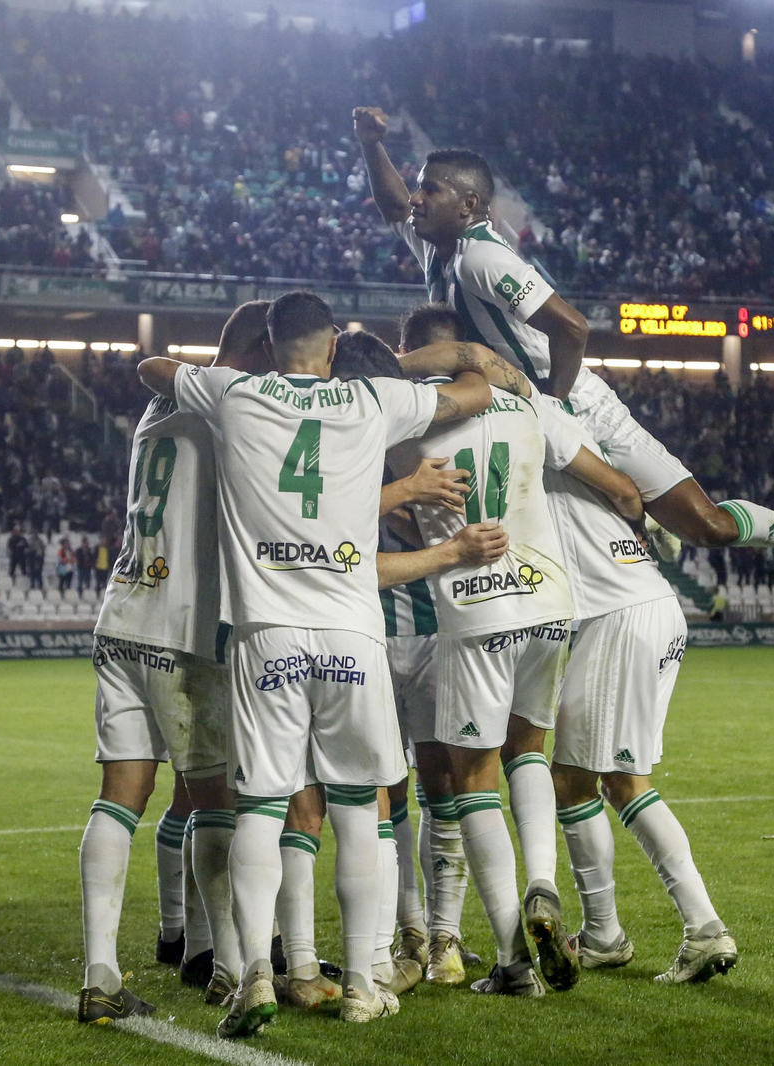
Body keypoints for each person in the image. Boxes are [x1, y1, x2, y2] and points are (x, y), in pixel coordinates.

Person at [139, 290, 493, 1035]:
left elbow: (152, 366)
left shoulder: (233, 393)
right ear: (332, 347)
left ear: (269, 348)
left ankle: (255, 978)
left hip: (266, 635)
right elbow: (471, 397)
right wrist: (460, 364)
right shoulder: (370, 400)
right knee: (361, 810)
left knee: (263, 810)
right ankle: (365, 982)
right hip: (352, 634)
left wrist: (225, 375)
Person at [354, 106, 774, 586]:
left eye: (431, 190)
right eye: (420, 187)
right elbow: (392, 207)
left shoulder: (482, 259)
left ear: (469, 204)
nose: (417, 199)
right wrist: (371, 142)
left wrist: (555, 405)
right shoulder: (437, 247)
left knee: (709, 527)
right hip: (523, 412)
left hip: (574, 405)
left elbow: (573, 328)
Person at [379, 331, 643, 998]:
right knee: (530, 751)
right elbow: (620, 489)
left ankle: (512, 962)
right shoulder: (532, 406)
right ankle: (544, 886)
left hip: (478, 606)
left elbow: (381, 512)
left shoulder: (408, 413)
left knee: (474, 779)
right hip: (552, 603)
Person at [76, 301, 275, 1026]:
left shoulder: (162, 405)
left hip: (122, 613)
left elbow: (152, 366)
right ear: (261, 350)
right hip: (183, 630)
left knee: (120, 796)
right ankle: (228, 966)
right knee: (214, 799)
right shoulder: (237, 404)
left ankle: (100, 972)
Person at [536, 396, 739, 985]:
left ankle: (672, 931)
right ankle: (629, 932)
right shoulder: (569, 428)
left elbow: (626, 491)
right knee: (612, 781)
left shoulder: (536, 419)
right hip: (644, 607)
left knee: (584, 781)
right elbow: (625, 492)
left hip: (619, 615)